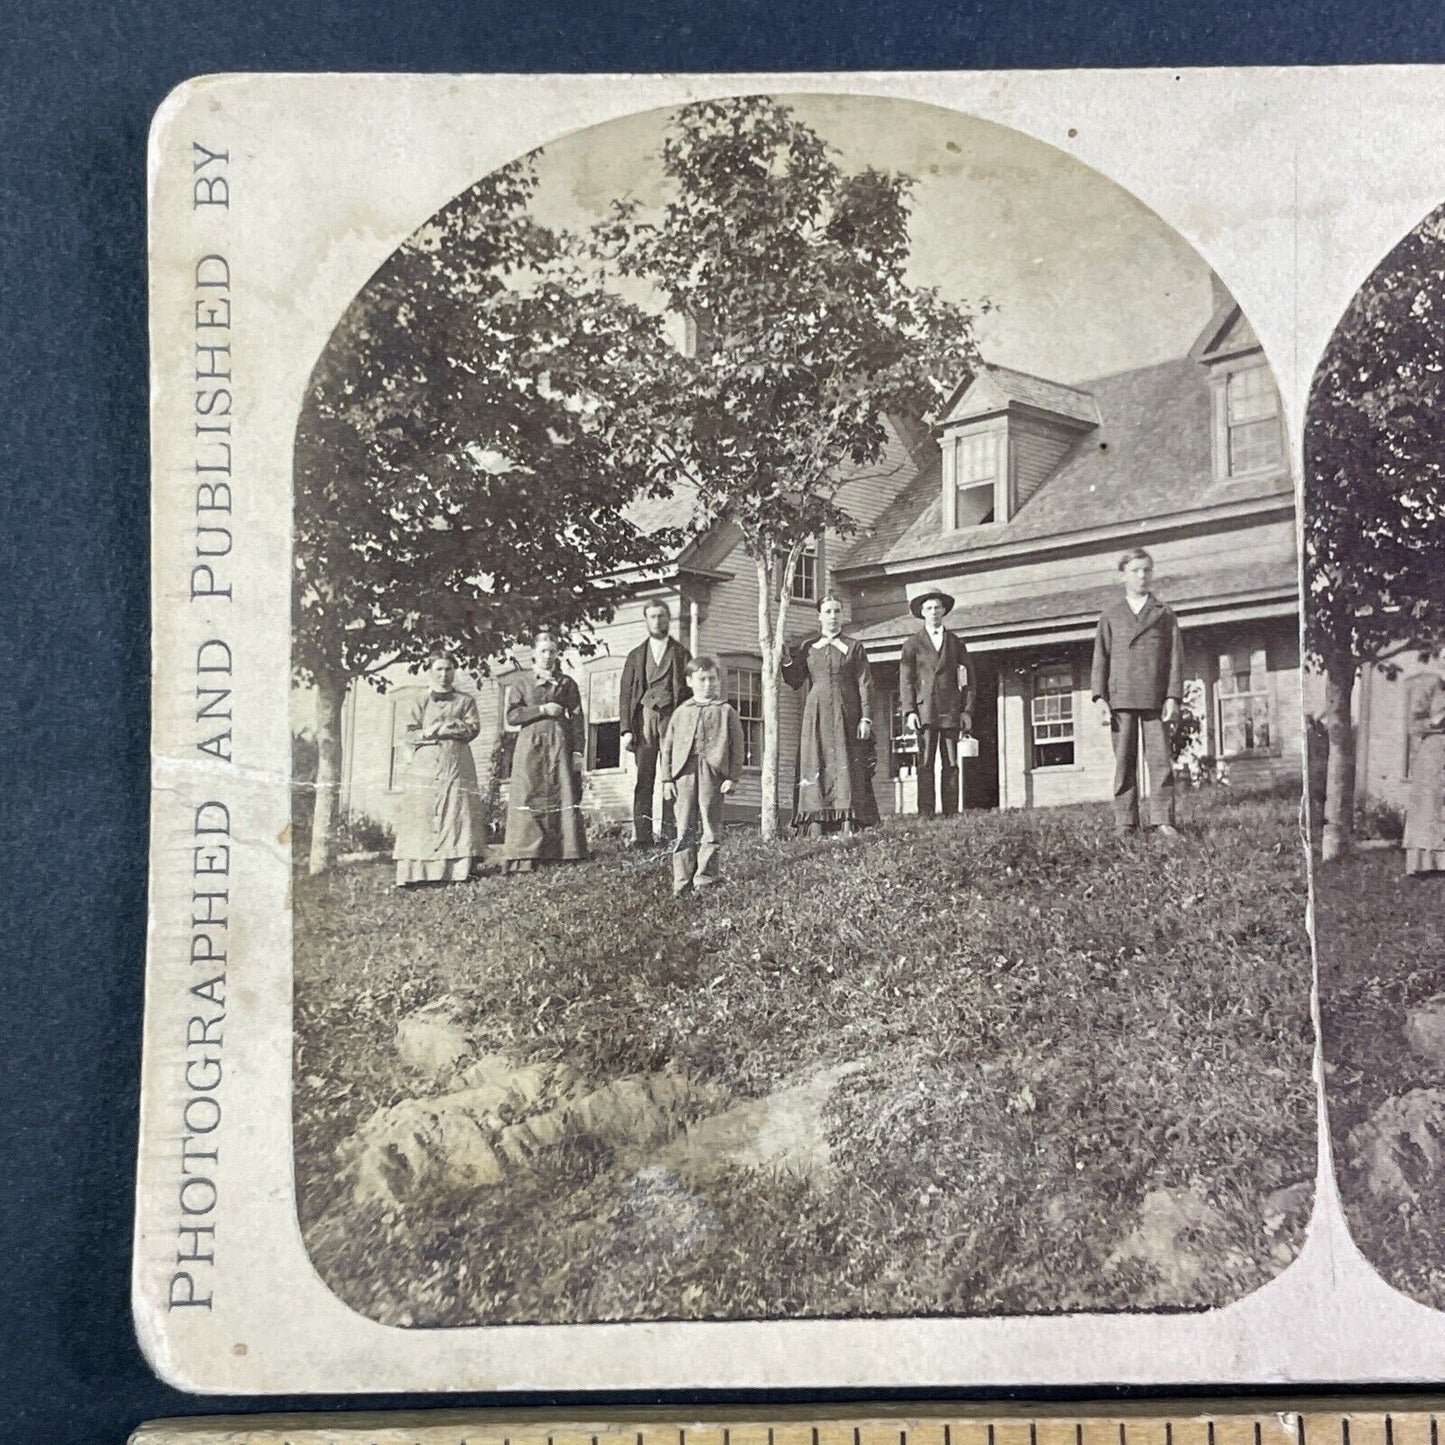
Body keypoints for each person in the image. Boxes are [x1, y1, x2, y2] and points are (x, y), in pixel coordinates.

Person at [1090, 548, 1184, 837]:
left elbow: (1175, 658)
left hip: (1155, 697)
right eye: (1135, 571)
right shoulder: (1111, 614)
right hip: (1121, 697)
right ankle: (1125, 821)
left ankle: (1163, 820)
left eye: (1147, 570)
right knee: (1124, 761)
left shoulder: (1164, 613)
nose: (1142, 576)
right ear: (1123, 575)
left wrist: (1172, 696)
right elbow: (1100, 658)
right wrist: (1099, 697)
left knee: (1159, 761)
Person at [783, 595, 880, 837]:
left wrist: (865, 717)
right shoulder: (808, 648)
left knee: (846, 761)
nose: (833, 616)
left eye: (837, 611)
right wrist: (785, 659)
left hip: (847, 712)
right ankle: (816, 824)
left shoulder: (854, 647)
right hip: (816, 713)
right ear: (819, 616)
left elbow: (864, 683)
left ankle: (847, 822)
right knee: (817, 759)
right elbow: (795, 680)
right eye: (828, 611)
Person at [392, 653, 484, 887]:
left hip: (455, 763)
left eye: (449, 669)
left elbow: (473, 728)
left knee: (455, 811)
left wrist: (447, 727)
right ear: (430, 671)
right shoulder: (420, 700)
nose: (444, 675)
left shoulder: (465, 701)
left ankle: (457, 871)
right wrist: (428, 731)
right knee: (422, 815)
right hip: (425, 763)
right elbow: (409, 734)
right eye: (439, 669)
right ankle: (417, 872)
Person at [501, 632, 588, 872]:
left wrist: (578, 751)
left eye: (552, 651)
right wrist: (541, 709)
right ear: (533, 655)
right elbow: (512, 716)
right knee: (529, 791)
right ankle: (526, 854)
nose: (548, 656)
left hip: (559, 744)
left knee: (561, 791)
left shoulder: (567, 683)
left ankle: (563, 851)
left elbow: (578, 717)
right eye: (543, 651)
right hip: (530, 745)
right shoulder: (521, 682)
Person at [659, 656, 746, 896]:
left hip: (713, 773)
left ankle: (706, 878)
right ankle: (682, 880)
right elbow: (667, 748)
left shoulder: (726, 711)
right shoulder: (681, 712)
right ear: (690, 681)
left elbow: (737, 748)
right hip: (683, 773)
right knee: (684, 826)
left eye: (712, 679)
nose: (707, 684)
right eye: (701, 679)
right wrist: (667, 779)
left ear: (718, 681)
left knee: (710, 824)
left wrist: (733, 777)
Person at [617, 600, 691, 849]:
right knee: (644, 777)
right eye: (652, 616)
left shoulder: (681, 654)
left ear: (668, 619)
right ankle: (643, 836)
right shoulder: (636, 655)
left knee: (671, 776)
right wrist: (626, 730)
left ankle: (671, 835)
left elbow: (689, 694)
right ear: (646, 620)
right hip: (645, 719)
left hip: (673, 720)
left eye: (661, 616)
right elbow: (626, 695)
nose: (657, 620)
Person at [898, 589, 974, 818]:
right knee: (925, 762)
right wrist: (910, 710)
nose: (934, 612)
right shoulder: (912, 644)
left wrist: (967, 711)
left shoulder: (956, 643)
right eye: (929, 608)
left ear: (944, 611)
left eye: (937, 608)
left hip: (951, 710)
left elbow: (968, 678)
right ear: (922, 612)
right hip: (925, 711)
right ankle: (926, 813)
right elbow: (906, 680)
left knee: (951, 763)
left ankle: (951, 813)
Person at [1404, 665, 1445, 878]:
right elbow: (1414, 725)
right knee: (1430, 804)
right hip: (1434, 751)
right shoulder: (1429, 684)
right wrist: (1436, 721)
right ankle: (1426, 863)